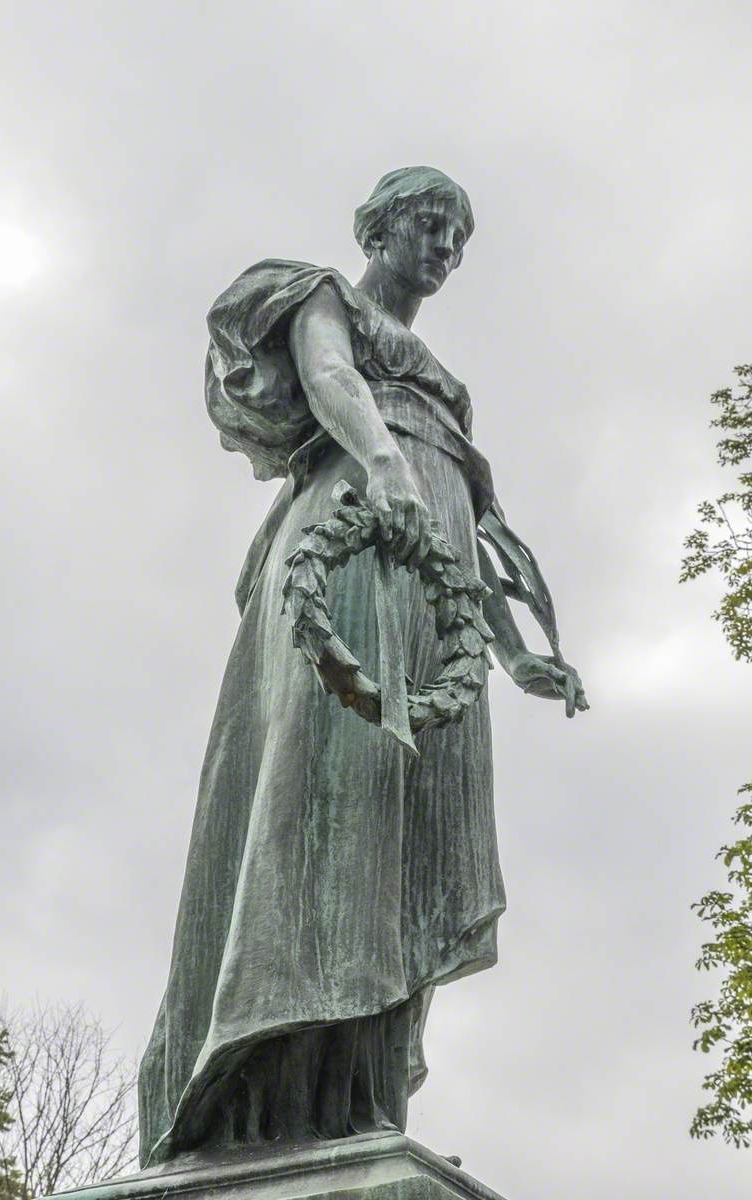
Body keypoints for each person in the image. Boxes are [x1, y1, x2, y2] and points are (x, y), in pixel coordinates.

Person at [138, 166, 587, 1167]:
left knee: (408, 839)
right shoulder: (316, 297)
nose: (444, 253)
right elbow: (335, 381)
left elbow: (468, 534)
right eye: (430, 227)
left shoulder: (447, 389)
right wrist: (382, 463)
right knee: (324, 810)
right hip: (348, 553)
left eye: (457, 241)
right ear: (375, 228)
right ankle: (257, 1086)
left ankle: (355, 1104)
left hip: (433, 607)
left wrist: (516, 654)